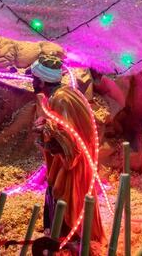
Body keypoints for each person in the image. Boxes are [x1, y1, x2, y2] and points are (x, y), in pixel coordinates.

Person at [32, 55, 104, 245]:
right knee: (55, 193)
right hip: (67, 161)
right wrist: (47, 125)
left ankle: (70, 239)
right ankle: (60, 234)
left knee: (64, 196)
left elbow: (69, 139)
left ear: (42, 81)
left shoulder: (61, 100)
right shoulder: (61, 94)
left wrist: (46, 132)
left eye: (34, 78)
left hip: (72, 165)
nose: (32, 82)